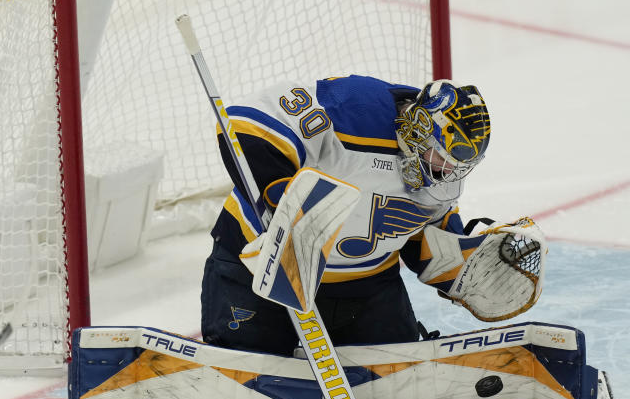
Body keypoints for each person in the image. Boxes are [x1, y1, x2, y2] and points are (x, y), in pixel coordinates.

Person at [201, 75, 493, 356]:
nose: (448, 172)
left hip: (367, 287)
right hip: (259, 269)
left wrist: (466, 273)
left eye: (460, 166)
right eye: (442, 156)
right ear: (420, 128)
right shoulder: (354, 109)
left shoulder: (446, 172)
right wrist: (284, 212)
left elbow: (425, 237)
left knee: (399, 380)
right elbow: (244, 125)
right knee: (248, 376)